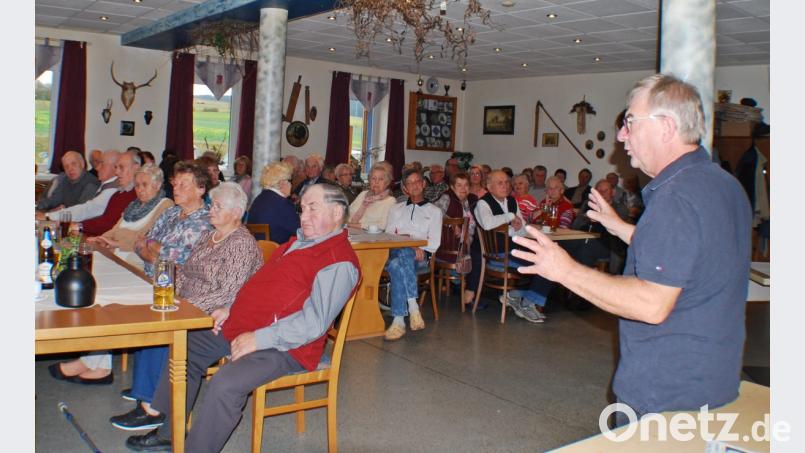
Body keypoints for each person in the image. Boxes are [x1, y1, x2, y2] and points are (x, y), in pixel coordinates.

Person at [511, 73, 752, 421]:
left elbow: (651, 304)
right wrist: (620, 228)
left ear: (666, 126)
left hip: (666, 395)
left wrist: (564, 269)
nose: (622, 135)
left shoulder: (676, 198)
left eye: (630, 122)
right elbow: (688, 258)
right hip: (712, 381)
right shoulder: (721, 184)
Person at [124, 184, 360, 452]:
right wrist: (231, 307)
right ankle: (170, 432)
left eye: (312, 208)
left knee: (226, 384)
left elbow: (313, 324)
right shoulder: (296, 243)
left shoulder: (338, 261)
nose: (303, 216)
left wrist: (259, 338)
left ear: (338, 211)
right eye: (302, 208)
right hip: (243, 325)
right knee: (183, 347)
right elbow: (258, 285)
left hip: (287, 347)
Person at [109, 182, 263, 431]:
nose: (211, 210)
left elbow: (226, 293)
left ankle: (155, 409)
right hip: (191, 305)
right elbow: (185, 272)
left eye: (218, 207)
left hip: (220, 317)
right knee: (152, 316)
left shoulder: (241, 244)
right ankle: (147, 394)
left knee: (169, 333)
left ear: (236, 213)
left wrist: (181, 308)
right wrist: (167, 293)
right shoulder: (207, 236)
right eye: (212, 205)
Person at [502, 175, 575, 323]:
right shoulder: (543, 204)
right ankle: (523, 300)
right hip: (539, 245)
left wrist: (543, 219)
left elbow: (562, 229)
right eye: (549, 188)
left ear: (562, 190)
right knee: (548, 263)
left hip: (557, 246)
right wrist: (538, 213)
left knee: (551, 263)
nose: (551, 191)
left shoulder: (567, 208)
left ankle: (520, 297)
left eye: (555, 188)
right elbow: (528, 224)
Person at [383, 169, 442, 340]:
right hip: (398, 251)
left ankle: (399, 321)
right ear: (405, 188)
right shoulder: (396, 209)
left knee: (395, 266)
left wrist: (417, 246)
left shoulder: (434, 211)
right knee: (402, 253)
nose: (414, 185)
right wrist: (409, 242)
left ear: (424, 184)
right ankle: (412, 306)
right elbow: (389, 235)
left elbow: (435, 241)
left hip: (421, 257)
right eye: (410, 183)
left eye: (418, 181)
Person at [134, 161, 213, 277]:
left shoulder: (206, 223)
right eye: (175, 184)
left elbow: (186, 263)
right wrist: (153, 250)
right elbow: (138, 244)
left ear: (200, 189)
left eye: (183, 185)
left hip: (174, 288)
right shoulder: (170, 212)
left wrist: (155, 247)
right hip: (145, 277)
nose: (175, 189)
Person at [89, 164, 174, 266]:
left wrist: (117, 243)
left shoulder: (165, 204)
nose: (140, 189)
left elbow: (146, 237)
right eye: (137, 185)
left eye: (144, 184)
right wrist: (101, 239)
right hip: (118, 251)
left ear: (158, 185)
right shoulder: (133, 205)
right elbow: (115, 230)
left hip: (136, 257)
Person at [434, 172, 480, 308]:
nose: (463, 188)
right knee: (478, 257)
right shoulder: (447, 197)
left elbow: (471, 226)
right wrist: (451, 223)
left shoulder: (468, 201)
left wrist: (468, 237)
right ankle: (469, 292)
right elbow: (433, 213)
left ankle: (462, 287)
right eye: (459, 185)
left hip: (461, 246)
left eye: (466, 185)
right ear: (452, 187)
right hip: (447, 249)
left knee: (479, 251)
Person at [565, 179, 629, 275]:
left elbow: (617, 232)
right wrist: (586, 217)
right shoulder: (587, 204)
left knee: (585, 249)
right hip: (583, 238)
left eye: (605, 190)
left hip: (605, 244)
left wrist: (601, 218)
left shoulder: (620, 208)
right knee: (562, 245)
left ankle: (580, 282)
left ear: (613, 192)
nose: (602, 193)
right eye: (599, 191)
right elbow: (575, 225)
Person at [40, 149, 121, 222]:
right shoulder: (64, 179)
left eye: (73, 164)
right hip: (70, 223)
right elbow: (52, 202)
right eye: (66, 166)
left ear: (82, 164)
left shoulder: (96, 185)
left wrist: (50, 215)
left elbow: (84, 211)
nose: (97, 168)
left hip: (79, 227)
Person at [77, 151, 142, 236]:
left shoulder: (138, 195)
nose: (117, 172)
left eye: (121, 167)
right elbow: (105, 221)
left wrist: (81, 226)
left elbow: (109, 225)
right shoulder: (117, 194)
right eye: (116, 167)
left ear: (136, 168)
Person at [247, 161, 300, 244]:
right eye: (289, 181)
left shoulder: (259, 198)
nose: (291, 184)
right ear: (282, 183)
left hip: (256, 249)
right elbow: (299, 230)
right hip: (275, 252)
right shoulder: (283, 204)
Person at [348, 164, 396, 231]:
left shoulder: (390, 201)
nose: (376, 182)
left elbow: (382, 225)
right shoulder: (363, 194)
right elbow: (347, 214)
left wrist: (352, 225)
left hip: (372, 238)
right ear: (369, 180)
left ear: (387, 182)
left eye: (381, 179)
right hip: (350, 233)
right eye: (373, 178)